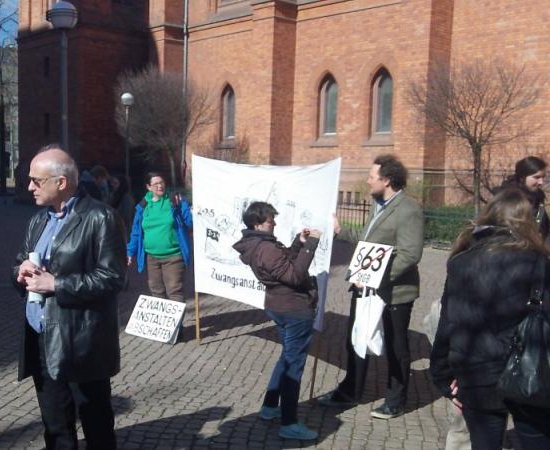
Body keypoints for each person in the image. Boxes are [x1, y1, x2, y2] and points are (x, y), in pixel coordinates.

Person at [13, 145, 126, 450]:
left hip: (81, 340)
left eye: (36, 181)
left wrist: (57, 284)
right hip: (40, 336)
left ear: (60, 182)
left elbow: (113, 278)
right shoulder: (39, 220)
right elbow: (23, 261)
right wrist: (20, 271)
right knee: (55, 425)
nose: (29, 187)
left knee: (96, 423)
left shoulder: (100, 217)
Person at [430, 188, 550, 449]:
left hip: (476, 371)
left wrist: (442, 375)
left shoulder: (461, 261)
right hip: (528, 370)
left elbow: (448, 322)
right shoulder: (538, 260)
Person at [318, 154, 424, 420]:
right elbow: (367, 242)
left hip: (394, 292)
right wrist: (339, 231)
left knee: (395, 345)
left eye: (371, 176)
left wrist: (373, 278)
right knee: (356, 339)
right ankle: (350, 391)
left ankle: (396, 400)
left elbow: (410, 254)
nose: (367, 181)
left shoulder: (408, 210)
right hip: (364, 288)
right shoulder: (378, 206)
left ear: (386, 180)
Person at [232, 201, 322, 441]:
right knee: (294, 365)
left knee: (286, 357)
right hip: (293, 309)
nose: (274, 223)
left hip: (279, 306)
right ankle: (289, 423)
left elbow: (283, 267)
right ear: (258, 223)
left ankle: (270, 407)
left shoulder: (258, 245)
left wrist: (297, 243)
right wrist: (311, 244)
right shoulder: (265, 248)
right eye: (271, 220)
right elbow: (294, 275)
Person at [126, 172, 193, 335]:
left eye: (161, 182)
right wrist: (130, 252)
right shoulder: (143, 206)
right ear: (148, 187)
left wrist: (189, 211)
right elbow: (136, 232)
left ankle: (176, 328)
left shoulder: (174, 201)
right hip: (152, 256)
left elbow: (190, 223)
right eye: (155, 184)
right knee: (156, 290)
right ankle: (162, 328)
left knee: (174, 290)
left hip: (174, 255)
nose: (160, 186)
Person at [499, 156, 548, 240]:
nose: (541, 182)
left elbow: (544, 228)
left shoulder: (538, 198)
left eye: (543, 177)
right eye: (536, 177)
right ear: (522, 177)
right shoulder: (506, 199)